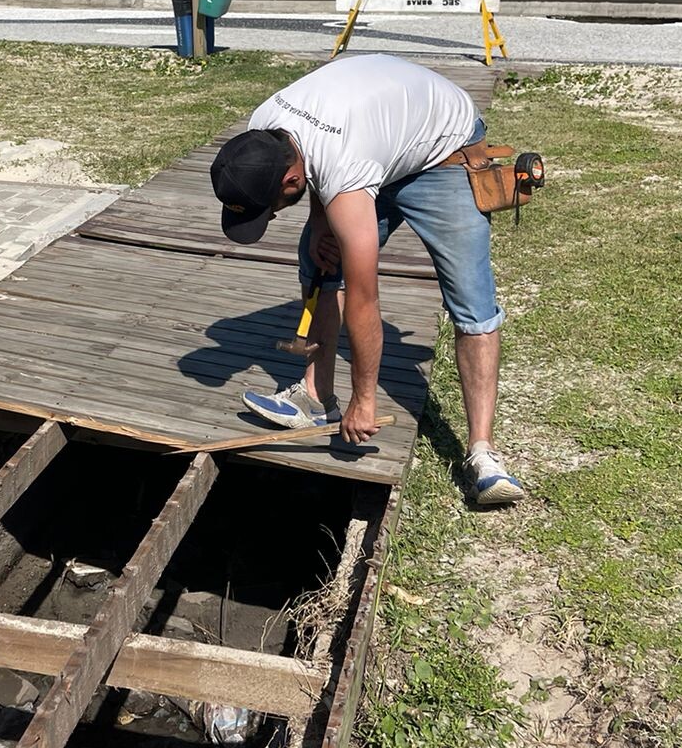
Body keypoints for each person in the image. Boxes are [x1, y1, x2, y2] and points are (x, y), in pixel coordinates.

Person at [208, 54, 524, 505]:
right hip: (377, 138)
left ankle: (482, 455)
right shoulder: (266, 124)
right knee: (316, 256)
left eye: (271, 207)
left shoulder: (343, 166)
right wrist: (319, 222)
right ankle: (316, 396)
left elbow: (365, 298)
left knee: (470, 301)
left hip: (443, 152)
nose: (273, 214)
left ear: (290, 179)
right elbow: (313, 160)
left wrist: (365, 400)